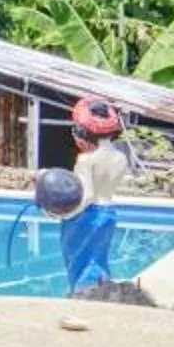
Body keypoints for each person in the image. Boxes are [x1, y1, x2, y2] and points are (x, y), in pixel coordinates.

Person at [62, 96, 131, 290]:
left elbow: (88, 196)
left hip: (87, 216)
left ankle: (83, 298)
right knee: (98, 261)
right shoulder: (121, 158)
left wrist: (64, 213)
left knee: (80, 263)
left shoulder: (86, 160)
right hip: (109, 214)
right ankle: (102, 296)